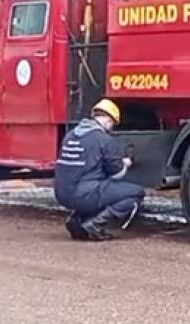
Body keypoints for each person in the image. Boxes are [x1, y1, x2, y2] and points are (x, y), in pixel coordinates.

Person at [54, 99, 145, 240]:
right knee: (135, 192)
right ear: (108, 120)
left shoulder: (70, 135)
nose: (112, 128)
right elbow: (116, 174)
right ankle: (95, 225)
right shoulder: (104, 139)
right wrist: (125, 163)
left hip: (62, 194)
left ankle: (77, 219)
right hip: (84, 195)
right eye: (113, 125)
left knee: (95, 186)